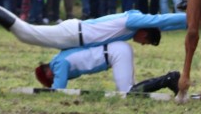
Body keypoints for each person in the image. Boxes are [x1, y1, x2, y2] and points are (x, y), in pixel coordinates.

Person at [0, 7, 187, 50]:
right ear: (145, 32)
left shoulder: (131, 29)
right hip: (73, 34)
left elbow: (163, 25)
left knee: (25, 33)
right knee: (25, 33)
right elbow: (161, 20)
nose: (142, 44)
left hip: (75, 36)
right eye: (146, 42)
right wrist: (191, 19)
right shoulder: (133, 21)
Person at [34, 39, 179, 95]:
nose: (53, 80)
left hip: (114, 54)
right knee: (134, 89)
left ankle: (168, 79)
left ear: (48, 73)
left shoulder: (59, 65)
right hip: (116, 50)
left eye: (50, 80)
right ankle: (169, 79)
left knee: (127, 92)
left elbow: (57, 91)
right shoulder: (60, 58)